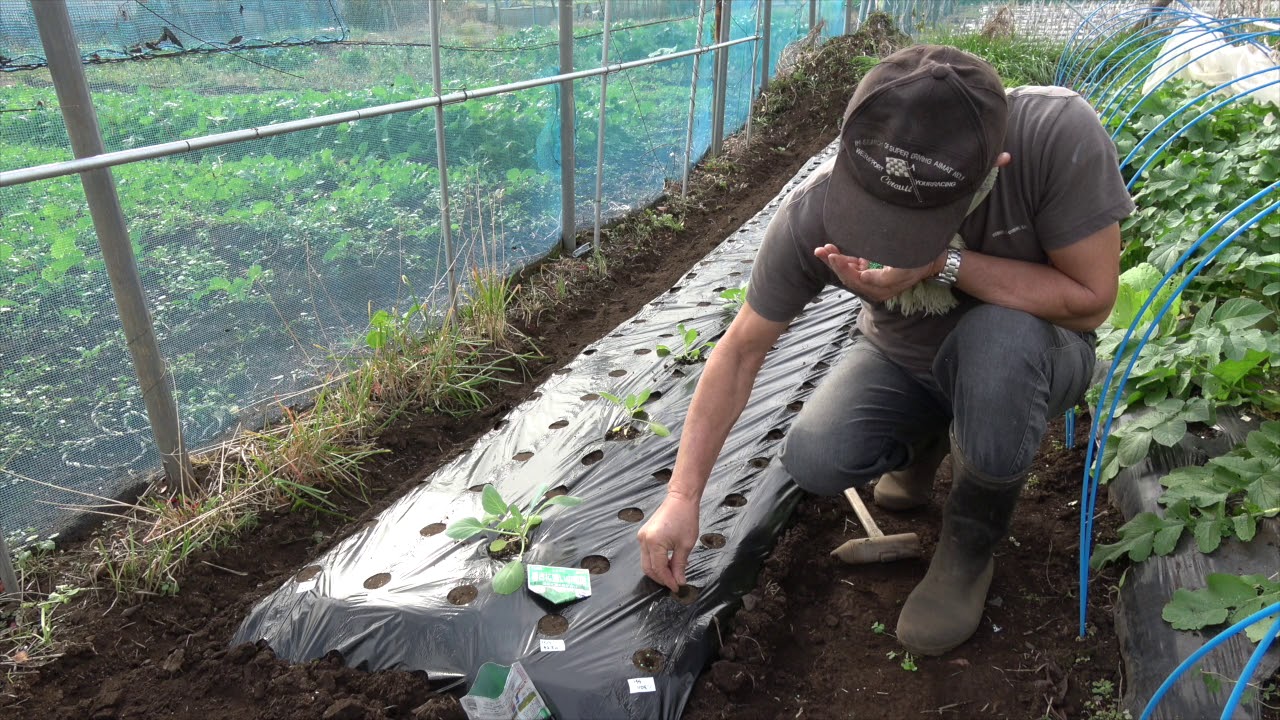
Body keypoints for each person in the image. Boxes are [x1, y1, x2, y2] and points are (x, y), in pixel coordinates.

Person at [636, 44, 1134, 657]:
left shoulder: (1057, 135)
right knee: (816, 456)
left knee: (997, 343)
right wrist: (682, 498)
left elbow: (1091, 299)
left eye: (912, 220)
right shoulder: (816, 209)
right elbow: (740, 350)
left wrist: (944, 261)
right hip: (904, 358)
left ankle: (969, 545)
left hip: (1035, 356)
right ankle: (924, 441)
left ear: (993, 166)